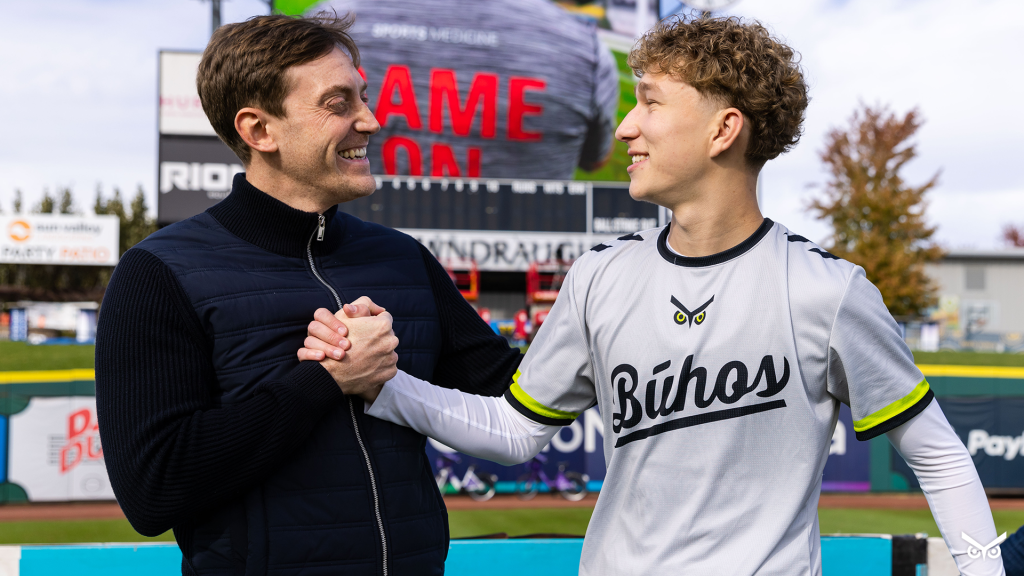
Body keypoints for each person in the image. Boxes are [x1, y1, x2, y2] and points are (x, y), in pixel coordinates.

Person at [299, 14, 1005, 575]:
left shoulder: (828, 290)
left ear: (724, 130)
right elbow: (516, 432)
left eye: (651, 104)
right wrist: (382, 386)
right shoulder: (601, 276)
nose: (627, 127)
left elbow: (939, 456)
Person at [94, 13, 520, 576]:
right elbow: (154, 490)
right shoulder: (158, 272)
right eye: (338, 103)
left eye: (362, 98)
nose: (369, 120)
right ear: (259, 130)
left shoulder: (402, 258)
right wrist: (324, 381)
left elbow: (517, 392)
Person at [322, 0, 620, 179]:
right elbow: (596, 158)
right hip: (517, 267)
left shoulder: (326, 23)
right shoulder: (583, 48)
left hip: (352, 259)